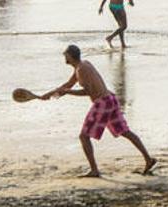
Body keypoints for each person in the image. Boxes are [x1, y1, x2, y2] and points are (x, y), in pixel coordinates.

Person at [40, 45, 157, 177]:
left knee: (84, 137)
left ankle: (94, 170)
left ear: (71, 56)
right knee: (125, 131)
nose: (64, 57)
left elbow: (88, 91)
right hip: (110, 99)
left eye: (65, 55)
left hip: (103, 103)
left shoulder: (81, 70)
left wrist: (67, 93)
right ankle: (148, 159)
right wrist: (49, 94)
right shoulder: (83, 65)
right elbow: (68, 84)